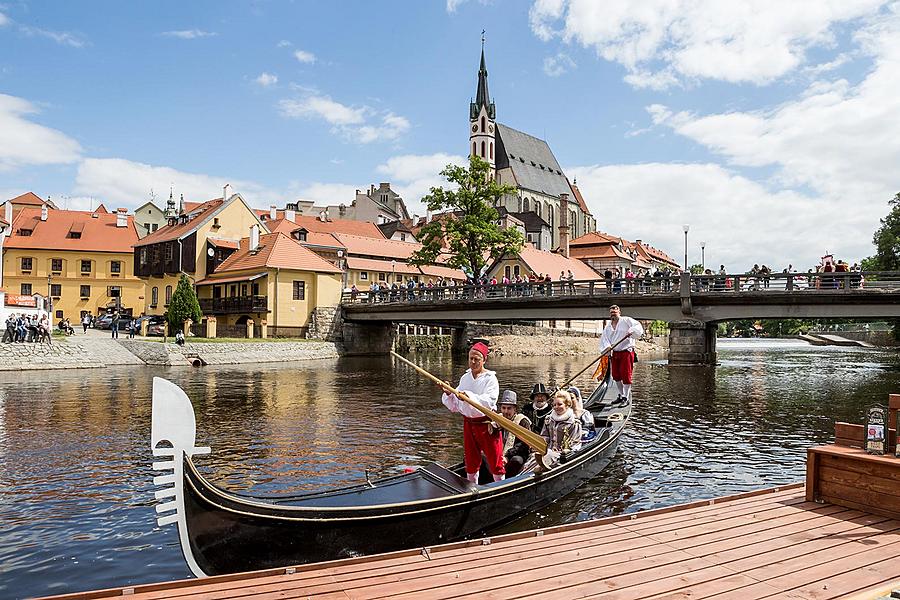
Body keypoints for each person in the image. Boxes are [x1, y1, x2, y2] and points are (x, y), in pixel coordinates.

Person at [441, 342, 504, 483]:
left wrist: (470, 397)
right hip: (469, 423)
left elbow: (490, 401)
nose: (473, 362)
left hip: (486, 423)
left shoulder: (491, 379)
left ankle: (500, 485)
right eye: (471, 359)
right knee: (471, 458)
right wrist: (449, 393)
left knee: (495, 458)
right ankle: (472, 487)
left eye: (477, 359)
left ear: (484, 360)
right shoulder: (465, 378)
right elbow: (456, 406)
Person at [600, 304, 644, 403]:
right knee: (616, 375)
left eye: (615, 312)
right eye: (611, 313)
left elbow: (637, 326)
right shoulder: (608, 326)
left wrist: (631, 331)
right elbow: (605, 339)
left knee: (626, 374)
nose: (613, 314)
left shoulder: (626, 320)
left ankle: (626, 396)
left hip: (626, 352)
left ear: (619, 312)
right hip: (615, 352)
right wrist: (607, 347)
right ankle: (621, 395)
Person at [535, 390, 582, 470]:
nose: (556, 407)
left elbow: (575, 443)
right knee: (533, 457)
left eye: (559, 404)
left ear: (567, 405)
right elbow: (544, 436)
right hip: (547, 451)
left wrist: (566, 451)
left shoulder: (574, 423)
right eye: (554, 405)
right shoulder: (548, 419)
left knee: (547, 458)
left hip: (562, 456)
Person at [497, 390, 531, 478]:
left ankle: (506, 481)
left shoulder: (522, 421)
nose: (505, 411)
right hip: (499, 453)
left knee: (517, 460)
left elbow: (523, 445)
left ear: (515, 409)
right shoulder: (497, 419)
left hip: (516, 454)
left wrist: (507, 456)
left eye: (509, 408)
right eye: (503, 408)